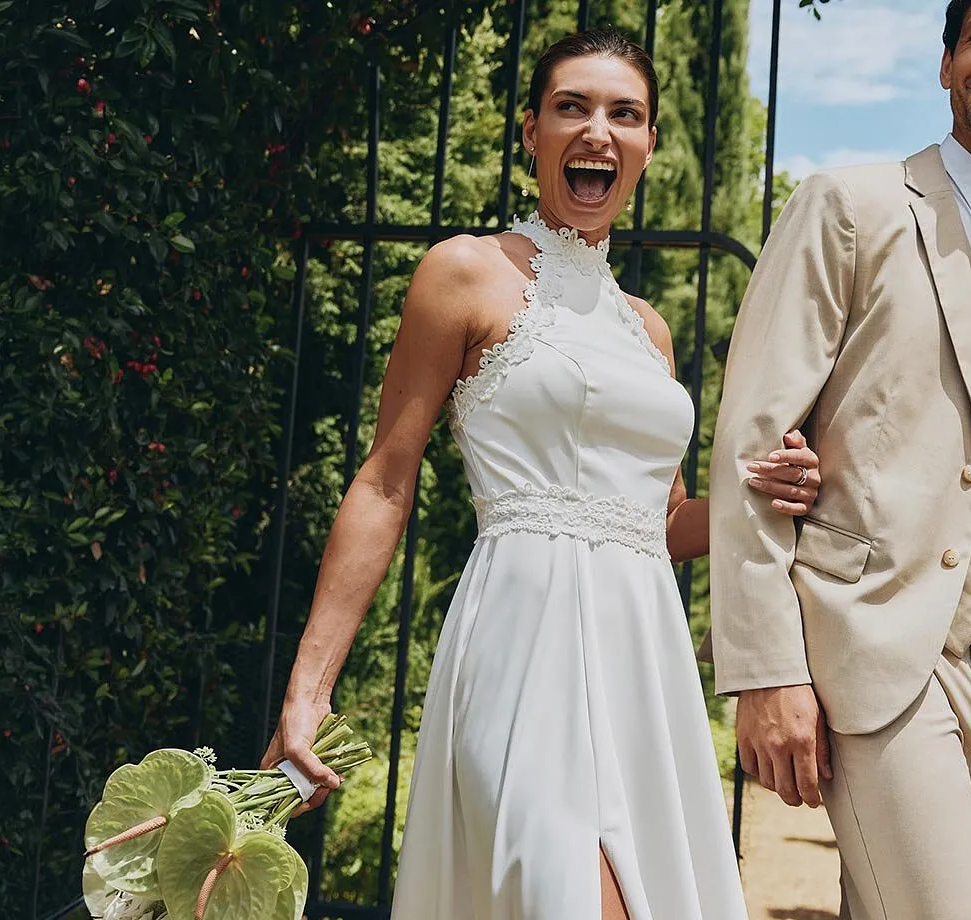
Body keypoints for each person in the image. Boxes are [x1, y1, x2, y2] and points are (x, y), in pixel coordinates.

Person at [262, 29, 816, 920]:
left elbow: (662, 522)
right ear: (531, 132)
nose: (599, 131)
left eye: (624, 114)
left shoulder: (649, 329)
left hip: (644, 659)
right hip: (521, 647)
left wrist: (762, 498)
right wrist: (308, 693)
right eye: (573, 107)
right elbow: (383, 482)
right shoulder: (464, 272)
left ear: (648, 145)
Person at [708, 0, 971, 916]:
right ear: (945, 64)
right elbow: (753, 445)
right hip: (871, 656)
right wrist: (767, 669)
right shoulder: (850, 206)